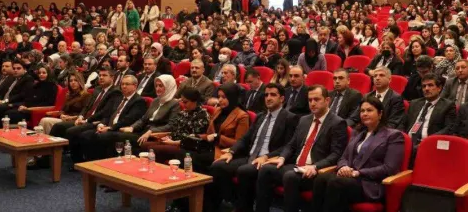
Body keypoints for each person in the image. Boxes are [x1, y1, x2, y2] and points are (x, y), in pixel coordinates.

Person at [206, 83, 297, 212]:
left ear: (282, 98)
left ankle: (243, 208)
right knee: (218, 165)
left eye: (273, 95)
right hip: (250, 155)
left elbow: (288, 145)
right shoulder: (260, 116)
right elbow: (245, 138)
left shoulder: (290, 118)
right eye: (266, 95)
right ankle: (229, 203)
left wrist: (266, 156)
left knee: (244, 170)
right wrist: (231, 152)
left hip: (268, 159)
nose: (268, 98)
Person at [256, 85, 348, 212]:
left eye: (316, 99)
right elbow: (291, 144)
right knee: (266, 169)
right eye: (310, 100)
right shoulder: (304, 120)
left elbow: (336, 154)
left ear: (327, 100)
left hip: (315, 170)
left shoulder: (337, 123)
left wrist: (315, 166)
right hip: (297, 165)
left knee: (290, 177)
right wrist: (282, 157)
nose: (312, 103)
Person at [312, 96, 405, 212]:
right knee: (321, 178)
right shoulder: (357, 133)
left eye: (369, 110)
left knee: (336, 183)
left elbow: (390, 168)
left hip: (370, 184)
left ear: (380, 114)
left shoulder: (393, 136)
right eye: (362, 111)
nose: (365, 114)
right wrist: (344, 166)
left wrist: (359, 172)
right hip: (350, 178)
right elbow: (343, 157)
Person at [85, 75, 179, 158]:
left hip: (155, 136)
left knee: (116, 136)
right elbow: (143, 119)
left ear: (169, 87)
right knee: (112, 136)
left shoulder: (174, 104)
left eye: (161, 86)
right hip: (142, 131)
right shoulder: (155, 101)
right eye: (156, 86)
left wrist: (151, 131)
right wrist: (132, 127)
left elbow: (171, 125)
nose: (157, 88)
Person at [50, 67, 122, 170]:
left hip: (97, 121)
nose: (101, 78)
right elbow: (87, 106)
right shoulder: (97, 89)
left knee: (72, 131)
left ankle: (78, 162)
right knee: (58, 126)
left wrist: (87, 120)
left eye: (104, 75)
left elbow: (106, 111)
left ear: (112, 78)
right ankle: (49, 157)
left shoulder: (115, 92)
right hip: (86, 119)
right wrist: (80, 116)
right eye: (100, 75)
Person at [78, 75, 147, 162]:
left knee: (101, 136)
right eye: (122, 84)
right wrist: (102, 124)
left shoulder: (139, 101)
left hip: (121, 129)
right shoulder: (118, 98)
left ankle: (101, 163)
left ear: (135, 86)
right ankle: (90, 163)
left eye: (127, 84)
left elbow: (127, 120)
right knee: (85, 135)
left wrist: (110, 128)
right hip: (109, 127)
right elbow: (108, 114)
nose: (124, 86)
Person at [141, 87, 210, 165]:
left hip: (185, 147)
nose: (183, 104)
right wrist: (168, 137)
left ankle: (155, 169)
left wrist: (173, 142)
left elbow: (194, 140)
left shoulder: (202, 116)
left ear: (195, 101)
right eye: (182, 101)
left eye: (185, 102)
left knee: (154, 149)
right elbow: (175, 130)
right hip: (174, 141)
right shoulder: (184, 112)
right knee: (144, 145)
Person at [404, 74, 456, 166]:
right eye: (424, 86)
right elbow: (403, 123)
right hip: (409, 142)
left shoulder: (448, 105)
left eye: (430, 85)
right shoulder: (414, 103)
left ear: (439, 88)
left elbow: (448, 128)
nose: (426, 89)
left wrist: (427, 141)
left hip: (429, 143)